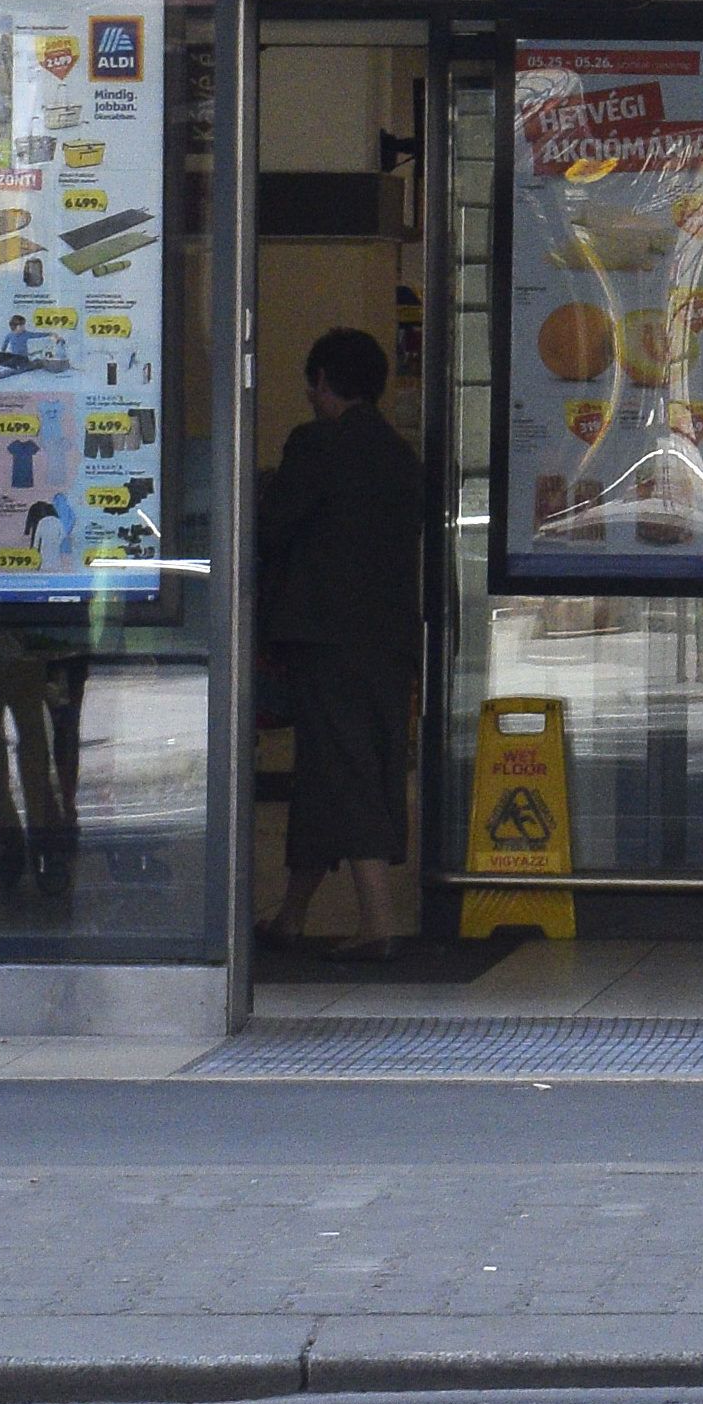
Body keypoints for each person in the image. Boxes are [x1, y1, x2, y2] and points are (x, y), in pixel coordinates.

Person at [258, 327, 428, 961]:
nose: (308, 393)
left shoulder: (315, 446)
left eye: (310, 381)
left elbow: (274, 528)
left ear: (324, 380)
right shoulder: (399, 454)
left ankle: (379, 923)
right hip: (389, 637)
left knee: (342, 767)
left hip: (326, 637)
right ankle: (291, 918)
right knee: (346, 766)